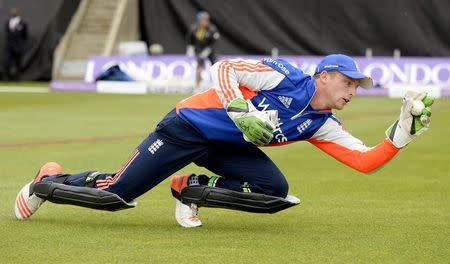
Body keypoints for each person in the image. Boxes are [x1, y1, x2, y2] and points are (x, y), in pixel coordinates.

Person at [14, 54, 434, 228]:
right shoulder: (285, 76)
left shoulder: (321, 123)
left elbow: (363, 161)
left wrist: (400, 136)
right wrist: (240, 109)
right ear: (323, 76)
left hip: (226, 148)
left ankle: (189, 188)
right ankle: (47, 181)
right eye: (348, 82)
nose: (352, 92)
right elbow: (224, 67)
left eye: (358, 87)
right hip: (185, 128)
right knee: (115, 197)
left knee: (275, 193)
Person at [186, 11, 220, 91]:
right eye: (203, 20)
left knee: (215, 67)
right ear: (199, 20)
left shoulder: (212, 29)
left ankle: (217, 85)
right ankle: (197, 86)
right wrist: (190, 48)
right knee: (199, 66)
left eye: (206, 20)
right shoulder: (194, 28)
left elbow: (214, 42)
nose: (205, 22)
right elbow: (190, 39)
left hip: (210, 51)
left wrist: (208, 50)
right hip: (199, 50)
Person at [3, 7, 28, 81]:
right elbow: (7, 33)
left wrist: (21, 44)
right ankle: (7, 78)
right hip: (9, 46)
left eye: (15, 11)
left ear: (18, 12)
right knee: (6, 62)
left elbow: (25, 35)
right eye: (12, 11)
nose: (13, 12)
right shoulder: (8, 22)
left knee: (18, 63)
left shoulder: (23, 23)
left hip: (18, 46)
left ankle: (18, 79)